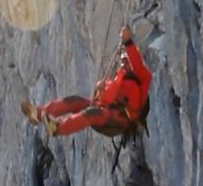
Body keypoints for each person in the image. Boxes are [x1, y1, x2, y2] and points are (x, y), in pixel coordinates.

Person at [21, 25, 151, 137]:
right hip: (108, 113)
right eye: (122, 60)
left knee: (92, 113)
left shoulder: (141, 78)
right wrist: (100, 91)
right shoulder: (119, 77)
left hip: (118, 120)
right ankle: (38, 113)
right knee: (75, 101)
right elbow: (106, 99)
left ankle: (58, 127)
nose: (123, 63)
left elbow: (137, 64)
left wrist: (128, 42)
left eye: (125, 60)